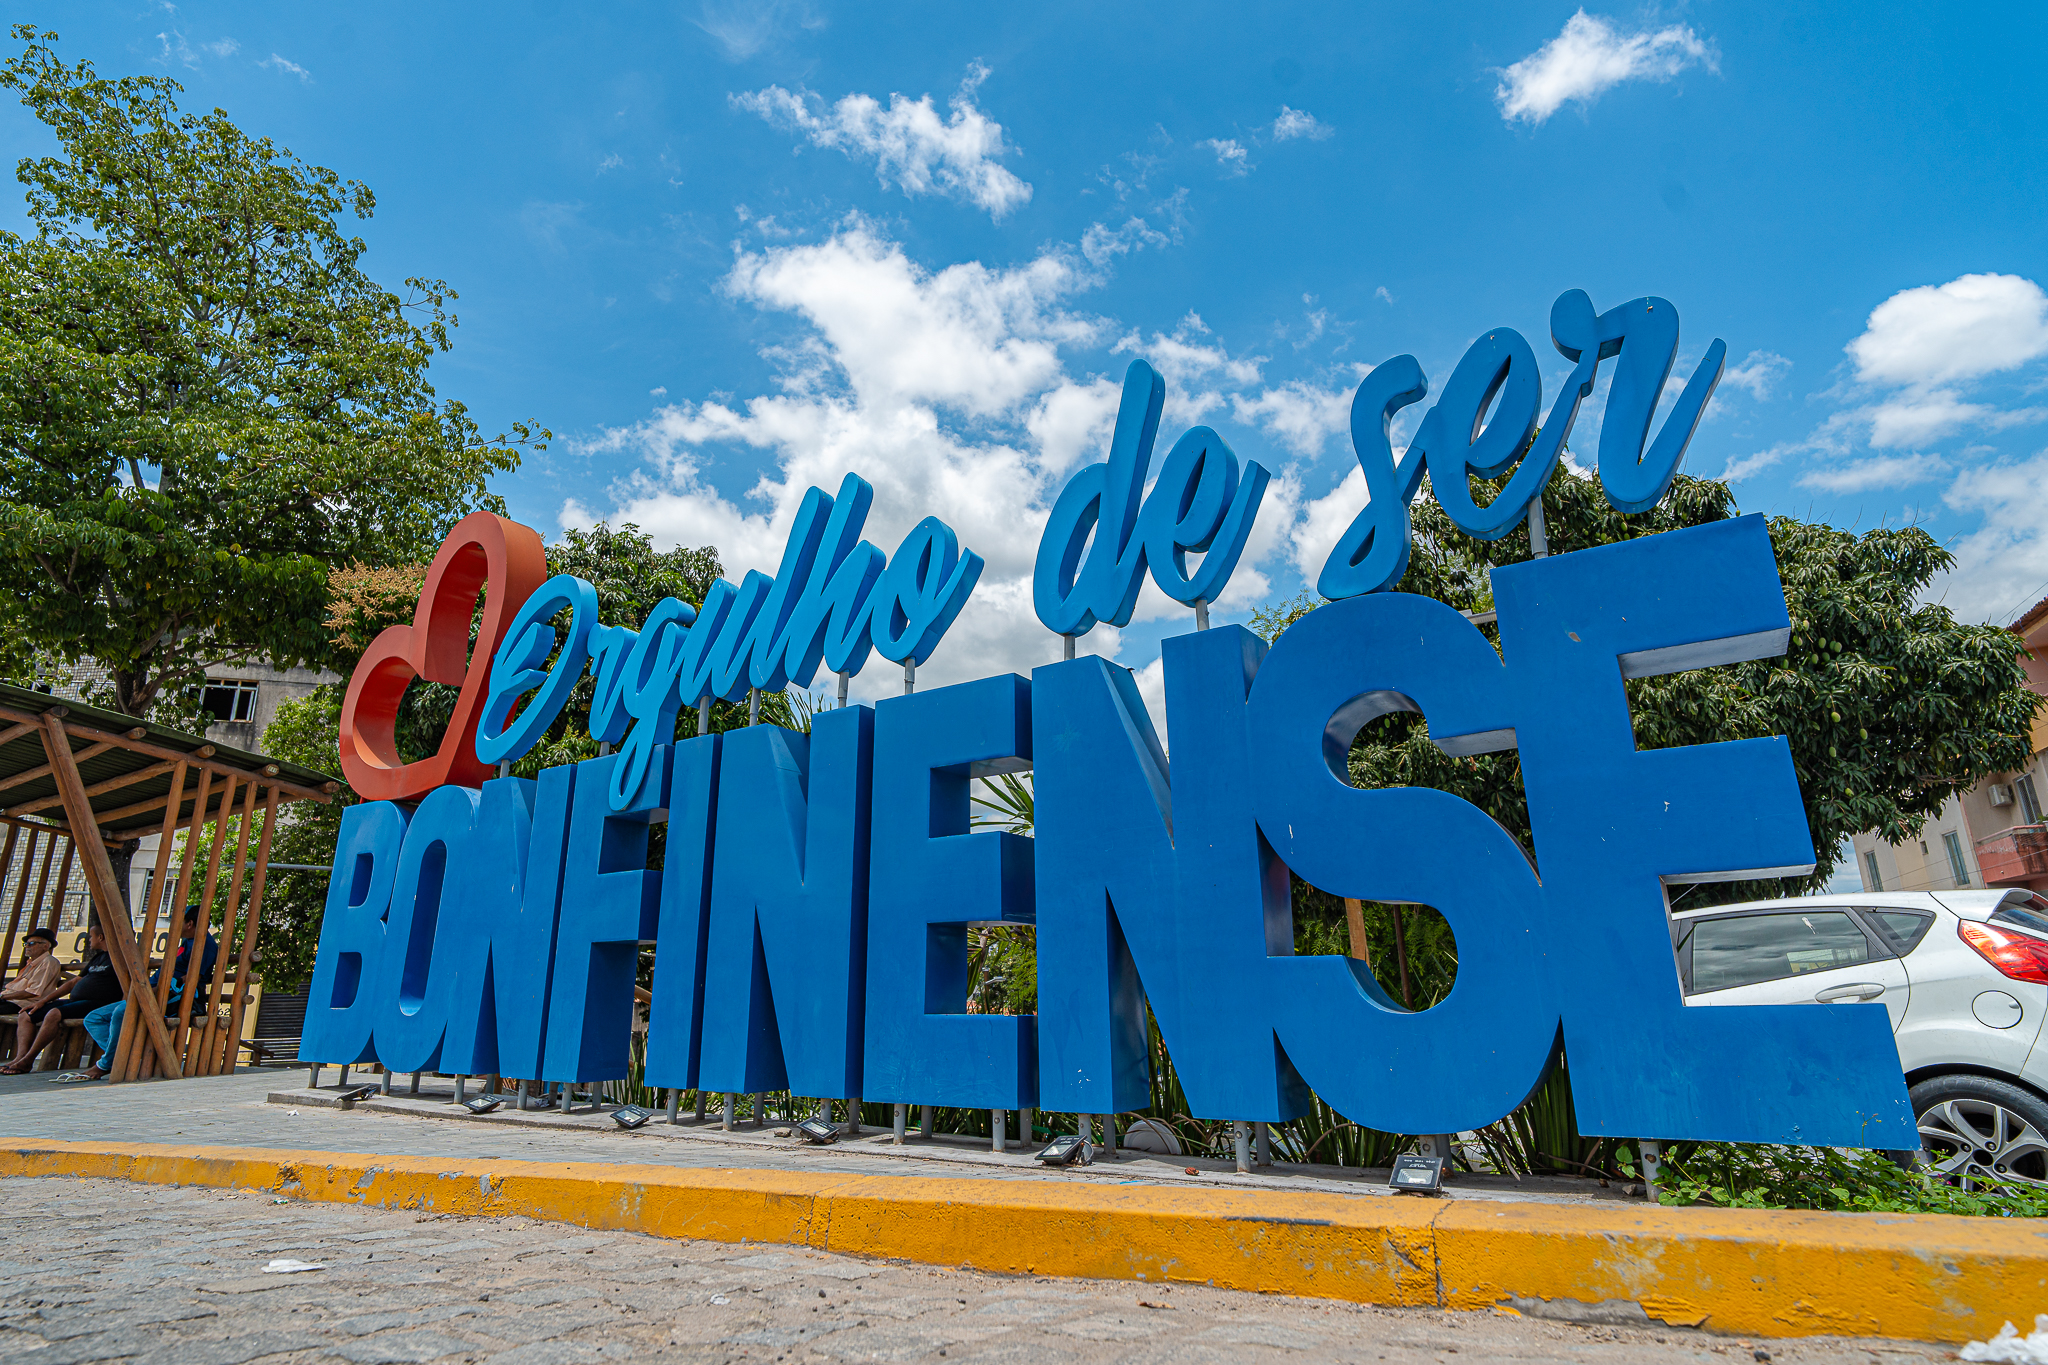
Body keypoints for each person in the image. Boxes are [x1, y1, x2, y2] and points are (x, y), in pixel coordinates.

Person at [70, 906, 219, 1082]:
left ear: (189, 923)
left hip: (170, 1000)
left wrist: (150, 992)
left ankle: (105, 1064)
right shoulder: (188, 941)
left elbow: (190, 979)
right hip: (151, 995)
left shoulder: (204, 945)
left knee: (120, 1012)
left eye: (176, 921)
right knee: (93, 1018)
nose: (172, 925)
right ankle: (121, 1057)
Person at [3, 923, 119, 1075]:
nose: (89, 940)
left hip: (98, 1003)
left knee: (54, 1013)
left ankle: (28, 1060)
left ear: (100, 937)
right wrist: (43, 1001)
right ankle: (20, 1057)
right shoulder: (98, 957)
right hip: (76, 1001)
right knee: (26, 1013)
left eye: (91, 936)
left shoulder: (117, 957)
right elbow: (73, 982)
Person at [4, 927, 72, 1053]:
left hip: (24, 1004)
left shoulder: (48, 962)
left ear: (45, 946)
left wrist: (3, 997)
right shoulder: (31, 963)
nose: (27, 946)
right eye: (26, 944)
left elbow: (32, 992)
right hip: (12, 1001)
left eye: (31, 943)